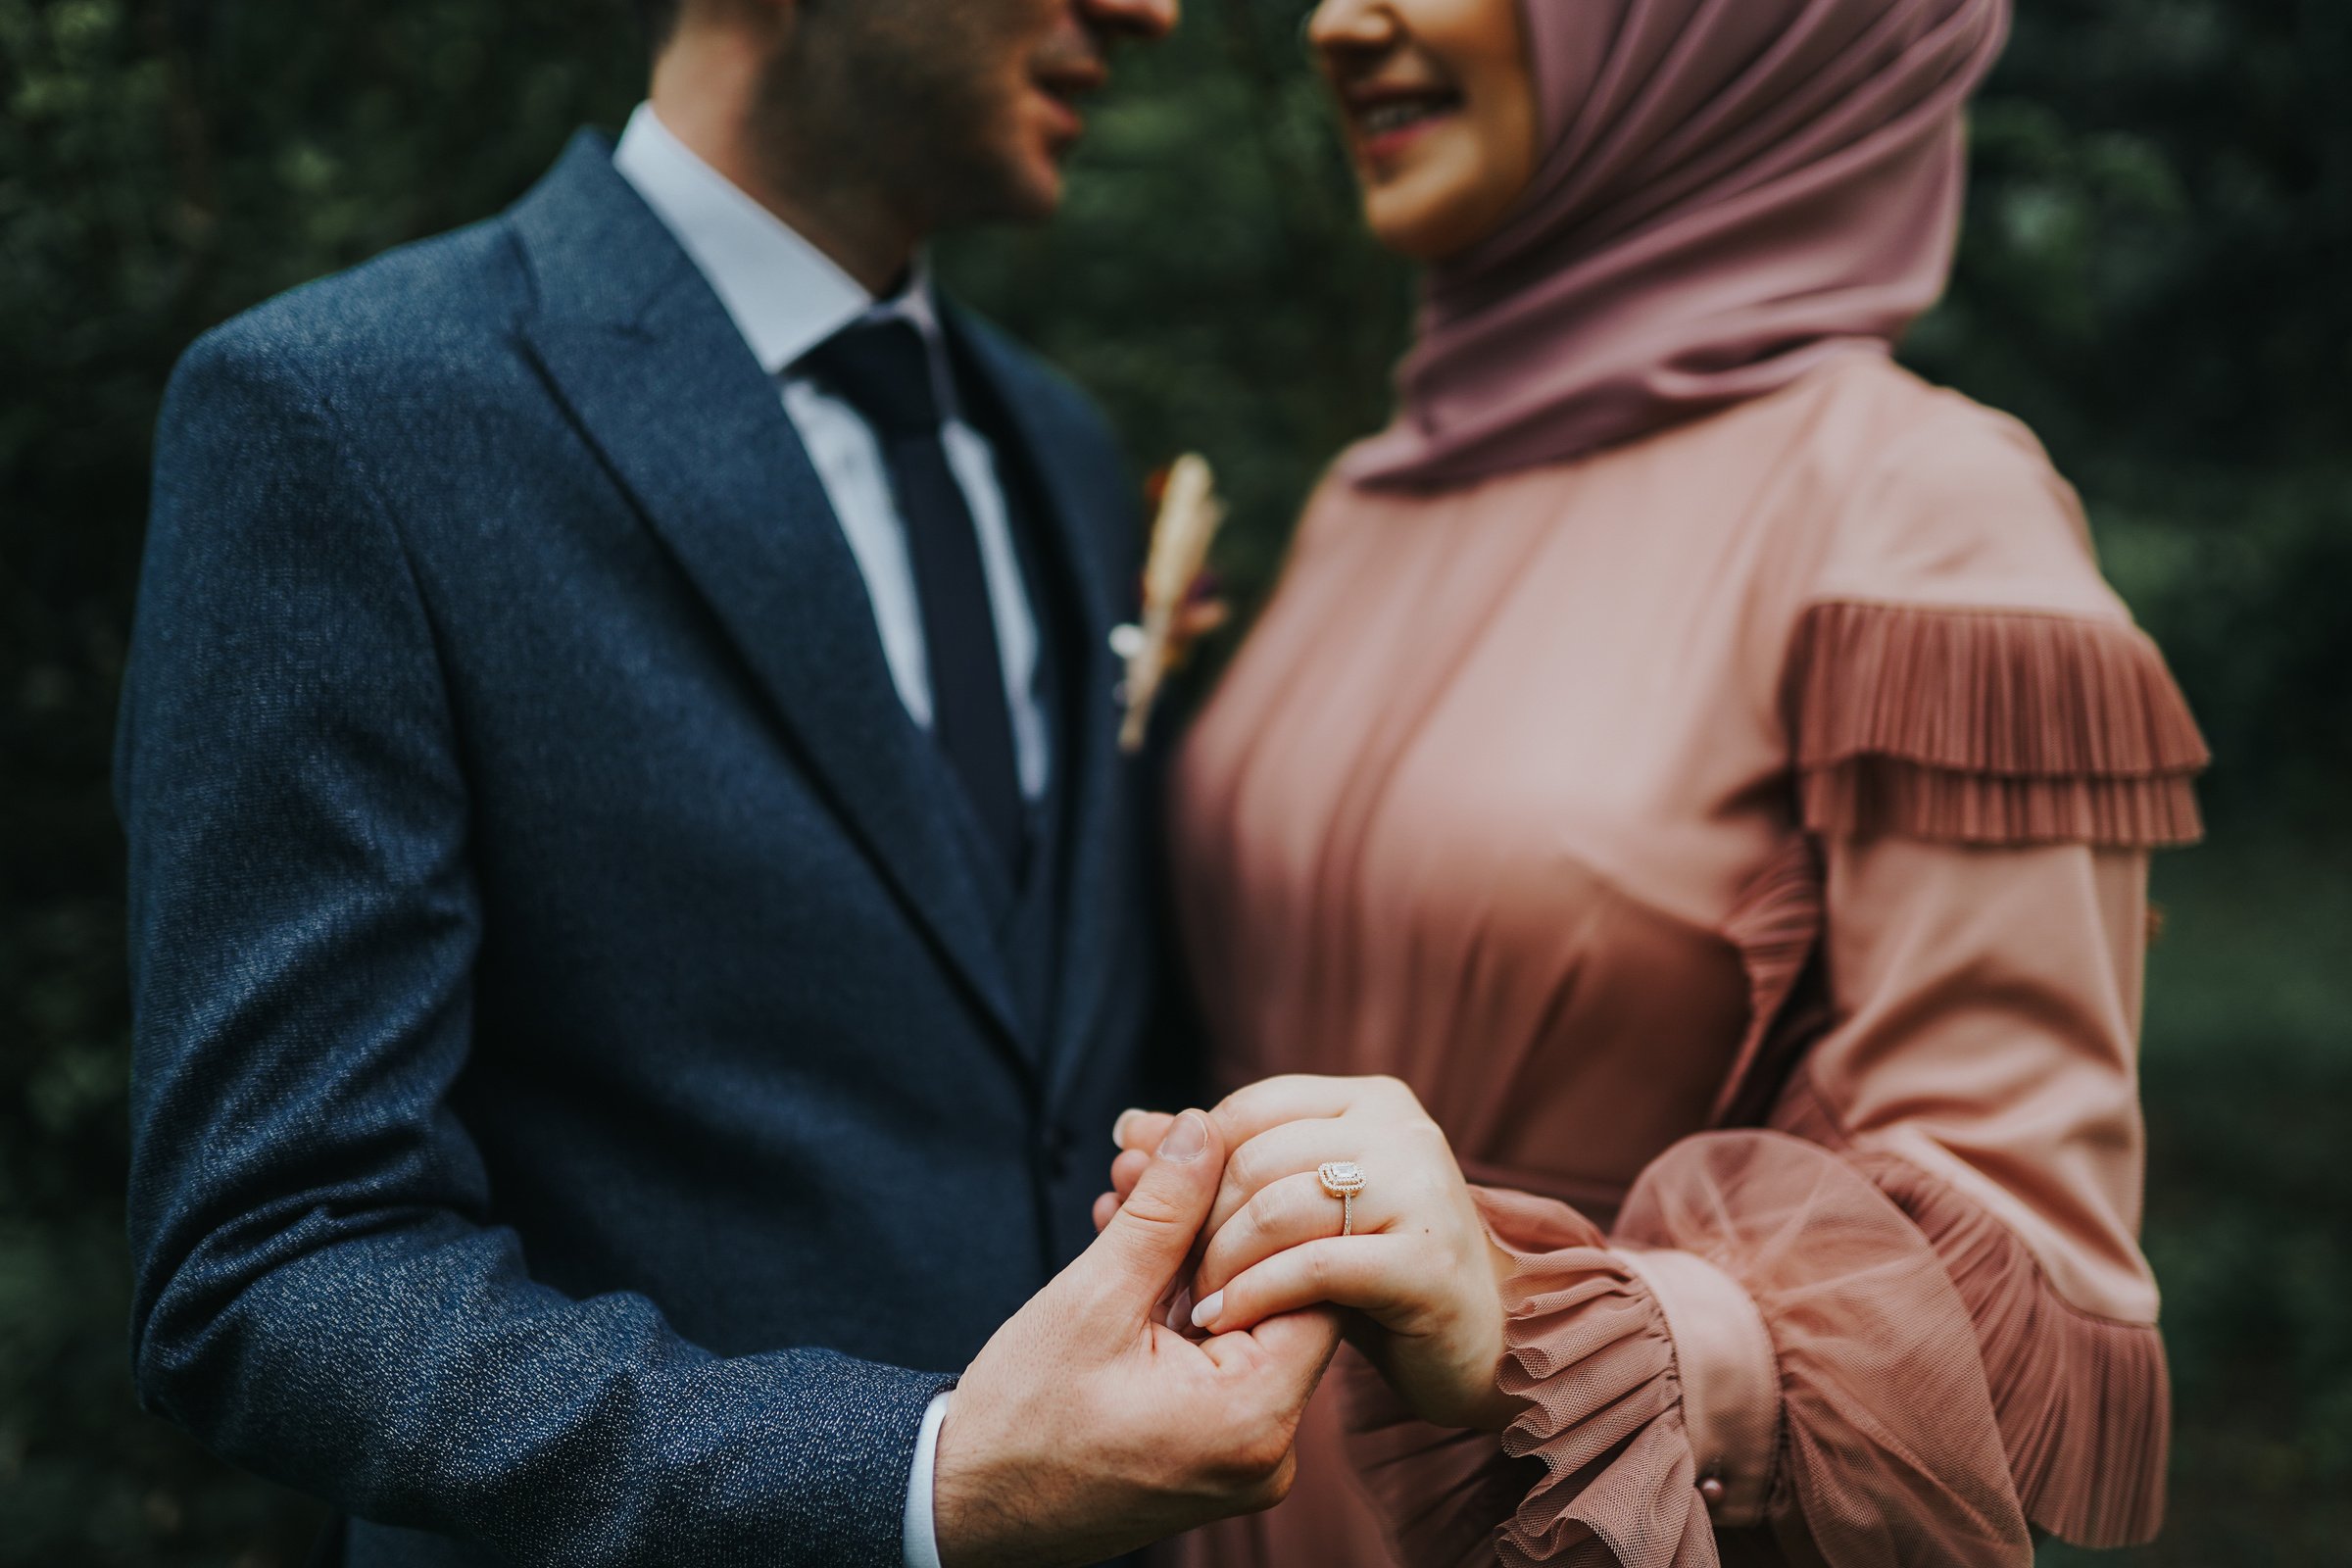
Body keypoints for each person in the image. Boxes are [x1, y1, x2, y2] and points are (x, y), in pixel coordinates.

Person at [116, 1, 1343, 1564]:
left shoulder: (1060, 447)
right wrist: (918, 1475)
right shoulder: (345, 416)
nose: (1148, 10)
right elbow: (277, 1263)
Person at [1107, 0, 2204, 1561]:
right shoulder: (1373, 491)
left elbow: (2016, 1283)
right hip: (1201, 1501)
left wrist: (1533, 1329)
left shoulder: (1927, 512)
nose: (1339, 20)